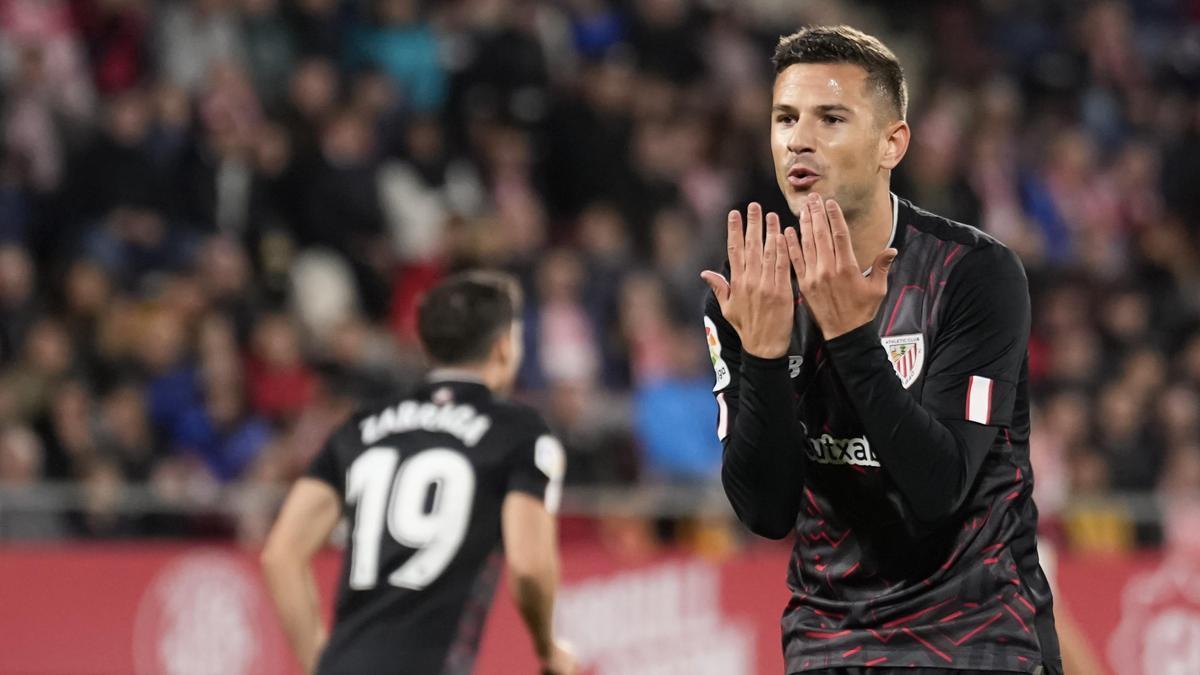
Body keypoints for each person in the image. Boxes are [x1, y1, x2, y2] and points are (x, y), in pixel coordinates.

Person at [701, 26, 1062, 675]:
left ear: (891, 143)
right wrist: (761, 355)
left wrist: (848, 338)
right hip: (827, 641)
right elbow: (766, 509)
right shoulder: (751, 291)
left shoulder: (974, 275)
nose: (799, 140)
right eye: (785, 118)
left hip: (975, 639)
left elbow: (940, 487)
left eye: (831, 118)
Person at [262, 271, 577, 675]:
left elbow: (281, 554)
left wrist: (319, 664)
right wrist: (546, 646)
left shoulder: (360, 428)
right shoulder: (519, 433)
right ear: (503, 347)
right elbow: (530, 565)